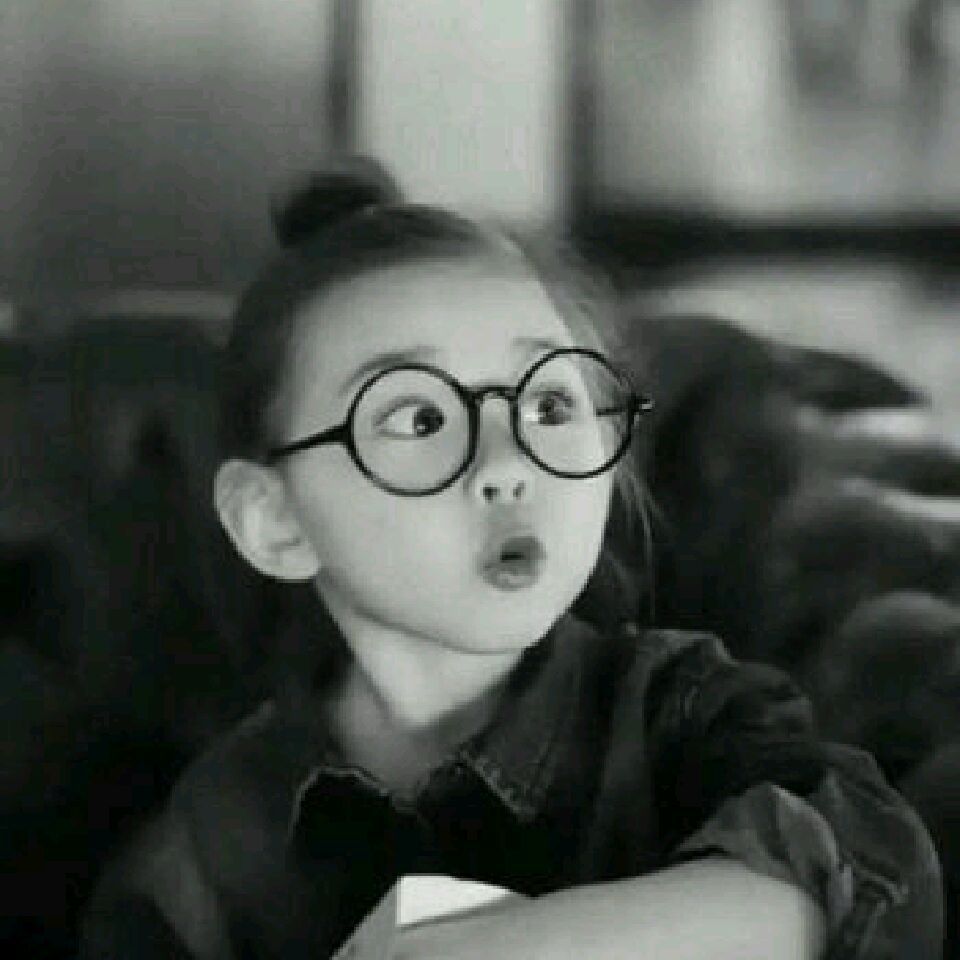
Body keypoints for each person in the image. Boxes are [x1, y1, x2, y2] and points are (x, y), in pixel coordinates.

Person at [80, 158, 942, 959]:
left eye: (549, 405)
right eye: (420, 418)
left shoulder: (685, 714)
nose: (508, 464)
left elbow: (872, 871)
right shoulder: (212, 847)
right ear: (274, 522)